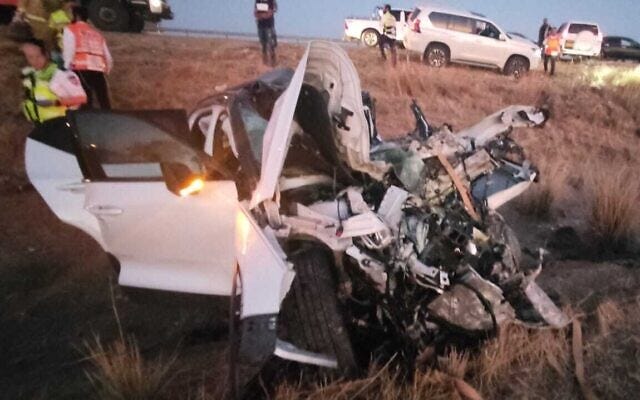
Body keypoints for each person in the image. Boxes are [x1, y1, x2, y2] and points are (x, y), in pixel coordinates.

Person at [63, 5, 113, 109]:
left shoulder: (71, 29)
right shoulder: (96, 33)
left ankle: (86, 121)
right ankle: (110, 119)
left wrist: (66, 69)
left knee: (85, 100)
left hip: (80, 69)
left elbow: (69, 50)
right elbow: (107, 56)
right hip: (98, 70)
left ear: (76, 16)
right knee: (103, 99)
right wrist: (107, 70)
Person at [20, 38, 67, 124]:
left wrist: (55, 103)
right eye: (30, 57)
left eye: (38, 56)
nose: (35, 61)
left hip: (59, 123)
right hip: (38, 123)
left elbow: (79, 98)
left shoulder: (58, 73)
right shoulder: (28, 75)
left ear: (46, 55)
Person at [48, 0, 73, 67]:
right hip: (59, 47)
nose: (70, 6)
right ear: (63, 4)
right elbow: (52, 33)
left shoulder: (71, 15)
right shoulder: (54, 15)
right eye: (68, 3)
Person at [254, 0, 278, 66]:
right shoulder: (258, 1)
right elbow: (255, 11)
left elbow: (275, 8)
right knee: (263, 44)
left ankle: (273, 62)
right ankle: (265, 62)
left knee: (271, 43)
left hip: (269, 25)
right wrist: (259, 15)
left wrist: (270, 13)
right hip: (261, 25)